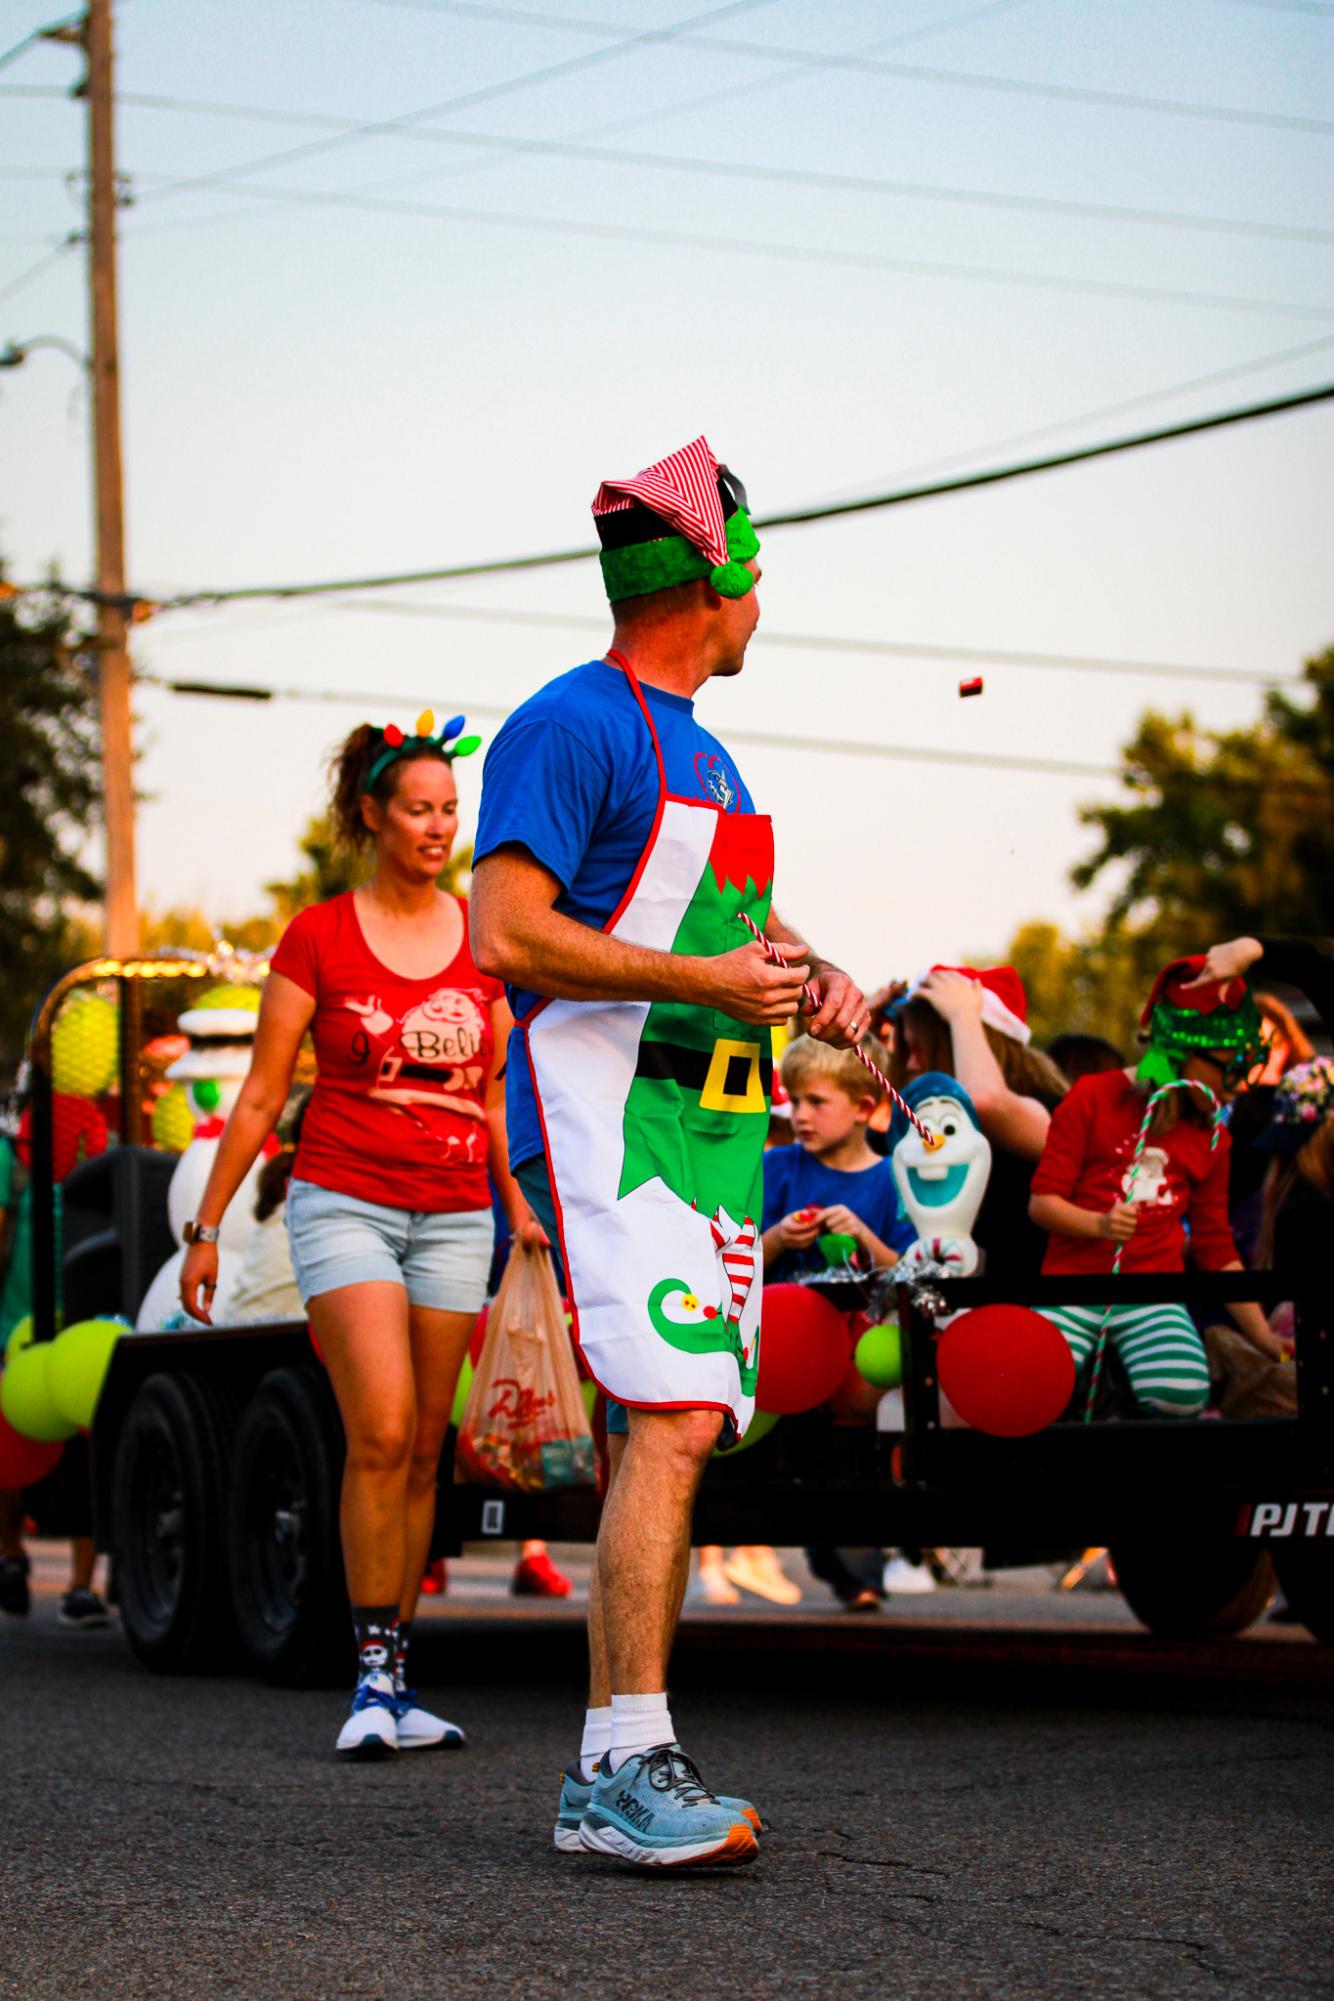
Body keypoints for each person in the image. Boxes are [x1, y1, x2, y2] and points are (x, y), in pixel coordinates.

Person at [471, 436, 869, 1869]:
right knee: (671, 1418)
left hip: (695, 1123)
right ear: (716, 580)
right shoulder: (563, 725)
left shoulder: (702, 745)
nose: (765, 605)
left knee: (691, 1417)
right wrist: (715, 986)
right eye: (757, 579)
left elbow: (715, 928)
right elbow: (503, 935)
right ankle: (618, 1768)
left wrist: (807, 968)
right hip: (596, 1123)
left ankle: (618, 1767)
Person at [179, 711, 543, 1757]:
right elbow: (259, 1096)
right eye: (418, 810)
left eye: (449, 811)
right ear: (371, 816)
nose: (439, 828)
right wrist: (206, 1228)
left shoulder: (484, 937)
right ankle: (369, 1674)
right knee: (378, 1430)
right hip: (342, 1198)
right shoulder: (317, 936)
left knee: (425, 1447)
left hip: (454, 1213)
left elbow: (494, 1095)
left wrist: (521, 1208)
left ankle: (396, 1677)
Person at [1028, 956, 1285, 1417]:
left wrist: (1263, 1336)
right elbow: (1042, 1204)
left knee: (1181, 1393)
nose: (1238, 1086)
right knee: (1031, 1388)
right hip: (1072, 1287)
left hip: (1152, 1294)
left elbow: (1215, 1247)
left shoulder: (1212, 1135)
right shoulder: (1093, 1096)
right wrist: (1099, 1224)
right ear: (1182, 1051)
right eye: (1227, 1067)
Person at [887, 964, 1066, 1280]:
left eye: (921, 1049)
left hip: (1031, 1311)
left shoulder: (1052, 1109)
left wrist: (962, 1014)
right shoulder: (923, 1127)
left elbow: (984, 1101)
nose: (911, 1063)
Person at [761, 1033, 914, 1283]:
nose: (799, 1116)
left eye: (816, 1101)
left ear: (863, 1108)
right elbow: (734, 1262)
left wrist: (861, 1235)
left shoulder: (896, 1181)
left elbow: (906, 1276)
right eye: (795, 1101)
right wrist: (778, 1238)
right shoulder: (776, 1166)